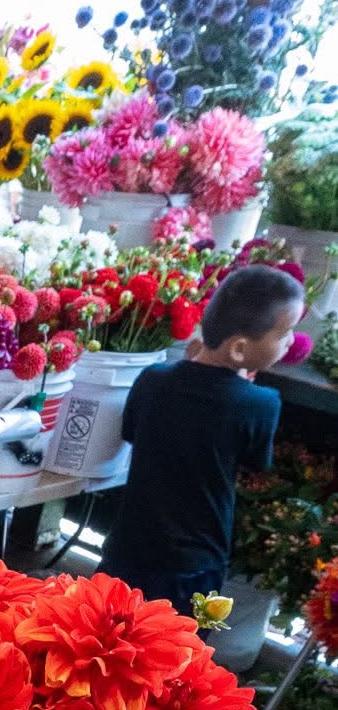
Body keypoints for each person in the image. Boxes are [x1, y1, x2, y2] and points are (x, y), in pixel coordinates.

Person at [99, 264, 305, 615]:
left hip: (126, 548)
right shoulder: (260, 404)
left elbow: (130, 433)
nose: (291, 342)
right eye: (284, 333)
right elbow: (255, 463)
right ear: (240, 348)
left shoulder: (153, 379)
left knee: (101, 636)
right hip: (195, 562)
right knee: (181, 655)